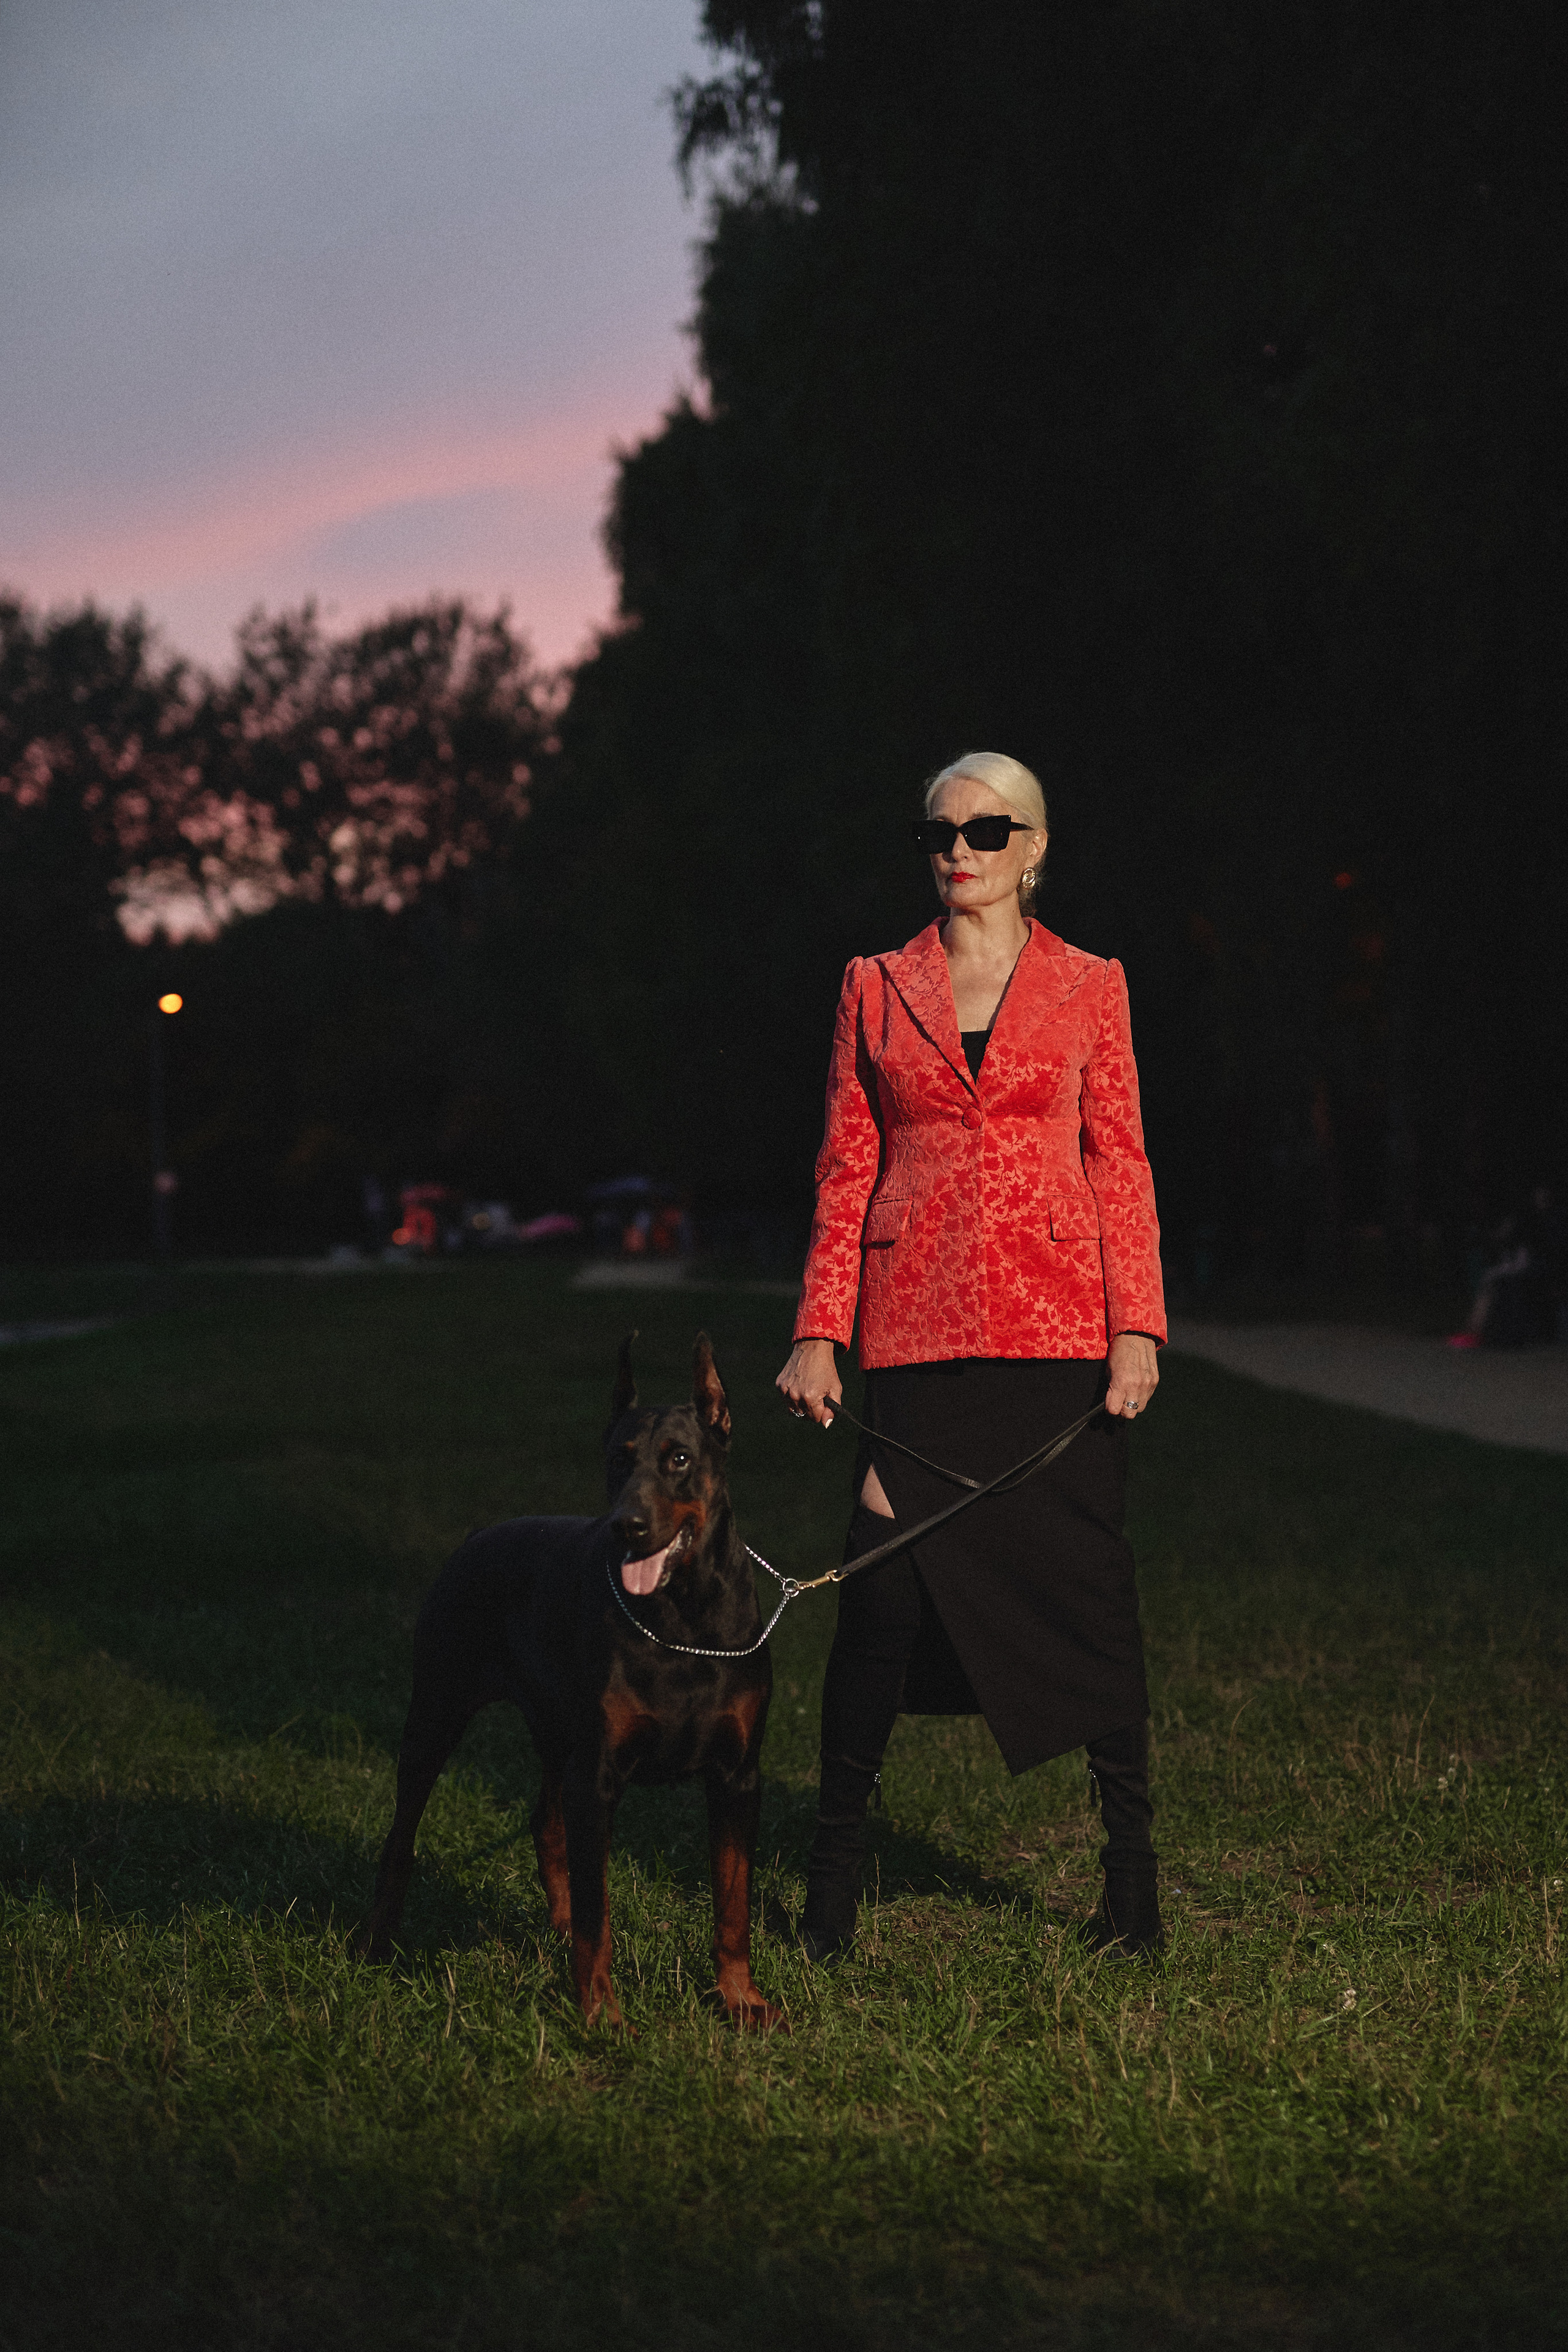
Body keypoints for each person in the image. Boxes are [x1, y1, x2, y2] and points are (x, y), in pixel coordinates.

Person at [776, 752, 1167, 1962]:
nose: (959, 849)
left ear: (1033, 847)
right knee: (882, 1595)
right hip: (914, 1322)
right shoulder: (872, 983)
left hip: (1057, 1325)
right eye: (939, 831)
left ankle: (1130, 1895)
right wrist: (814, 1329)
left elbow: (1121, 1158)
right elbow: (847, 1161)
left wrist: (1136, 1324)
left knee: (1087, 1598)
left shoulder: (1090, 985)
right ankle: (829, 1896)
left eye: (987, 831)